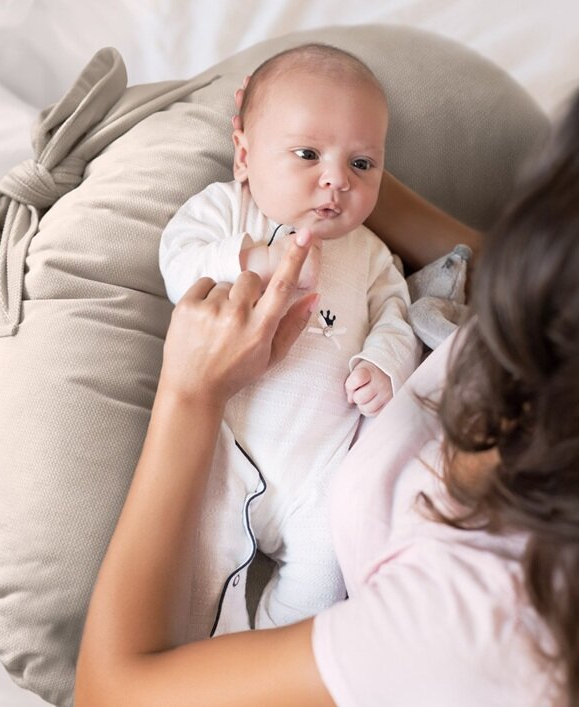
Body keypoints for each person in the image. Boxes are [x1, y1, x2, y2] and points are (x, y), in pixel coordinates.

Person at [76, 57, 579, 706]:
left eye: (544, 214)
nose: (513, 233)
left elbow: (112, 691)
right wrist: (328, 161)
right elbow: (479, 256)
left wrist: (190, 393)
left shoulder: (479, 627)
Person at [156, 44, 420, 634]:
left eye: (362, 164)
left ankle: (268, 660)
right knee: (192, 588)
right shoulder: (228, 212)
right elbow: (178, 262)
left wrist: (382, 365)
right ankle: (208, 663)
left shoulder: (372, 254)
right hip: (224, 457)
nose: (336, 181)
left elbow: (396, 317)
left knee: (326, 581)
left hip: (321, 473)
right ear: (245, 156)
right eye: (307, 154)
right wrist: (253, 257)